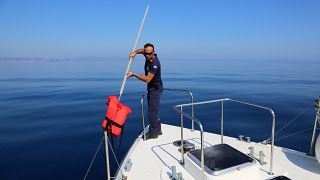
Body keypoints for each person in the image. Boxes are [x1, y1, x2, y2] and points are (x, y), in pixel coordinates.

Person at [127, 43, 163, 140]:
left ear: (154, 52)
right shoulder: (146, 53)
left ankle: (153, 133)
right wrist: (134, 53)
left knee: (151, 112)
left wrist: (134, 74)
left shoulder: (155, 64)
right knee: (153, 110)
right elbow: (141, 51)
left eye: (149, 54)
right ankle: (158, 129)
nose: (147, 56)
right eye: (146, 53)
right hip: (151, 88)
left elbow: (147, 79)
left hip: (155, 89)